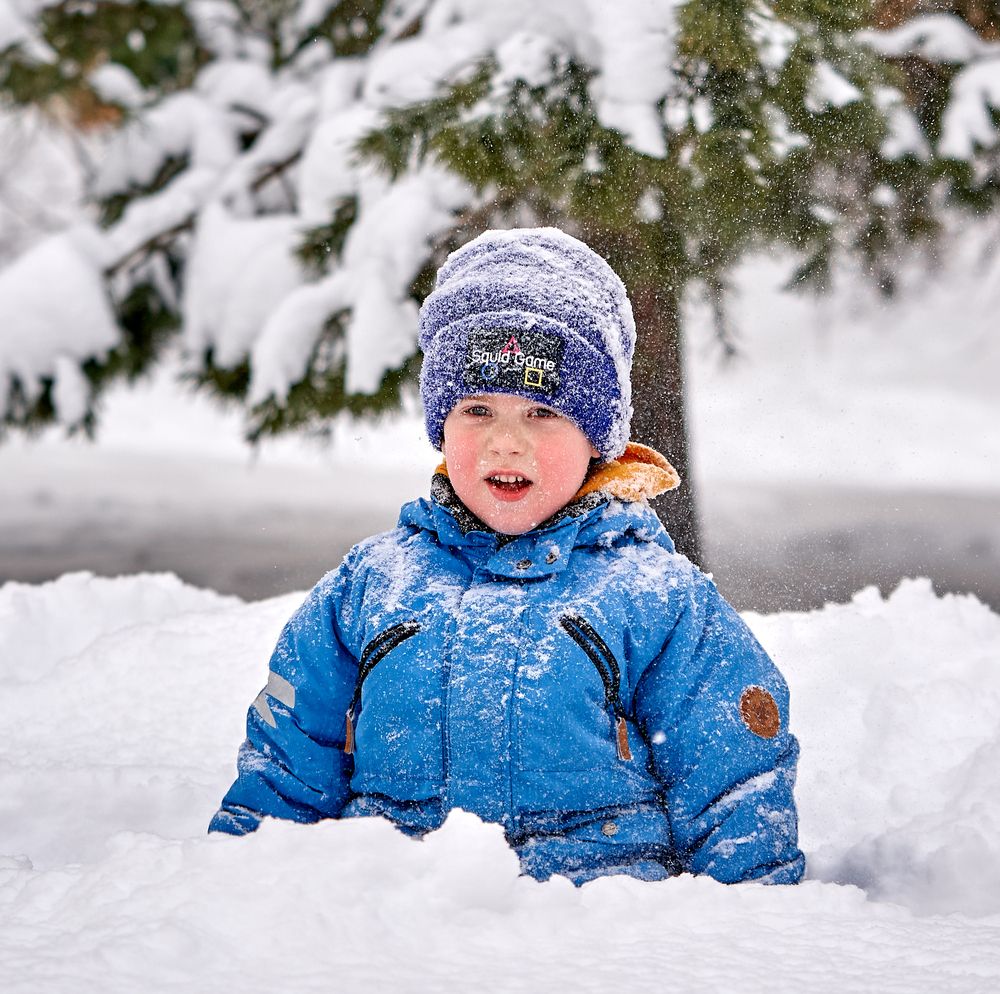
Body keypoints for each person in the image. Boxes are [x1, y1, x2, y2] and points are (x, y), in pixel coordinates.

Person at [210, 227, 805, 885]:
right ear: (441, 427)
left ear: (598, 438)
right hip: (396, 912)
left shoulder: (656, 598)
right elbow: (287, 768)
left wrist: (752, 908)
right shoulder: (372, 587)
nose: (505, 442)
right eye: (478, 410)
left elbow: (733, 781)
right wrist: (238, 883)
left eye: (542, 413)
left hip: (594, 916)